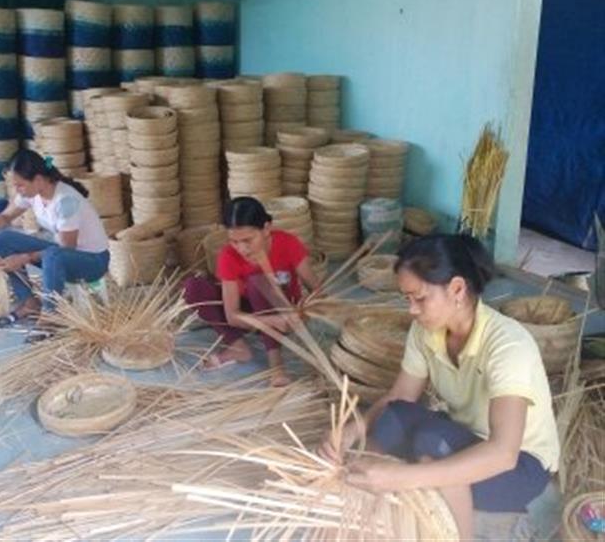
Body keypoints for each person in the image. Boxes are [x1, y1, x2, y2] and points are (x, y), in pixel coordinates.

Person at [319, 234, 559, 540]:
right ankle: (367, 486)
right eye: (407, 299)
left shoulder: (508, 345)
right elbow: (400, 396)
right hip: (467, 435)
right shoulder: (425, 332)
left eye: (420, 298)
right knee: (394, 416)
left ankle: (460, 535)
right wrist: (351, 430)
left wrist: (405, 477)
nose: (412, 310)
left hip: (520, 467)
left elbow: (503, 453)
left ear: (457, 289)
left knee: (432, 445)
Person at [184, 197, 323, 387]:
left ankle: (276, 365)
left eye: (248, 240)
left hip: (282, 311)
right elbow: (232, 316)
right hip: (252, 317)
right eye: (234, 241)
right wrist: (271, 321)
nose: (242, 249)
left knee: (259, 282)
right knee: (193, 287)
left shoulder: (288, 243)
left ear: (266, 228)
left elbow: (317, 292)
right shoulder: (228, 256)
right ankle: (238, 347)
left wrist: (302, 314)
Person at [0, 149, 110, 333]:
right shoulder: (34, 193)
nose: (17, 190)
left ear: (38, 180)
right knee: (2, 238)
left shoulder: (66, 201)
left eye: (20, 185)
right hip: (62, 254)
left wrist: (24, 258)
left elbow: (66, 248)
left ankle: (50, 316)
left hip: (92, 261)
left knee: (53, 255)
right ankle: (29, 302)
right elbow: (5, 217)